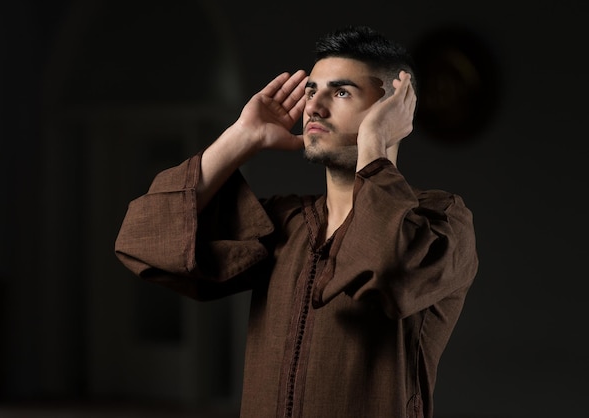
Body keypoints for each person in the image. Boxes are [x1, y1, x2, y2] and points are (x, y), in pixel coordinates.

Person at [115, 25, 478, 418]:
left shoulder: (439, 222)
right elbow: (144, 243)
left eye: (340, 93)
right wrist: (241, 137)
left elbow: (387, 271)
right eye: (311, 91)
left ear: (395, 106)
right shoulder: (285, 223)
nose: (314, 107)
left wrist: (375, 145)